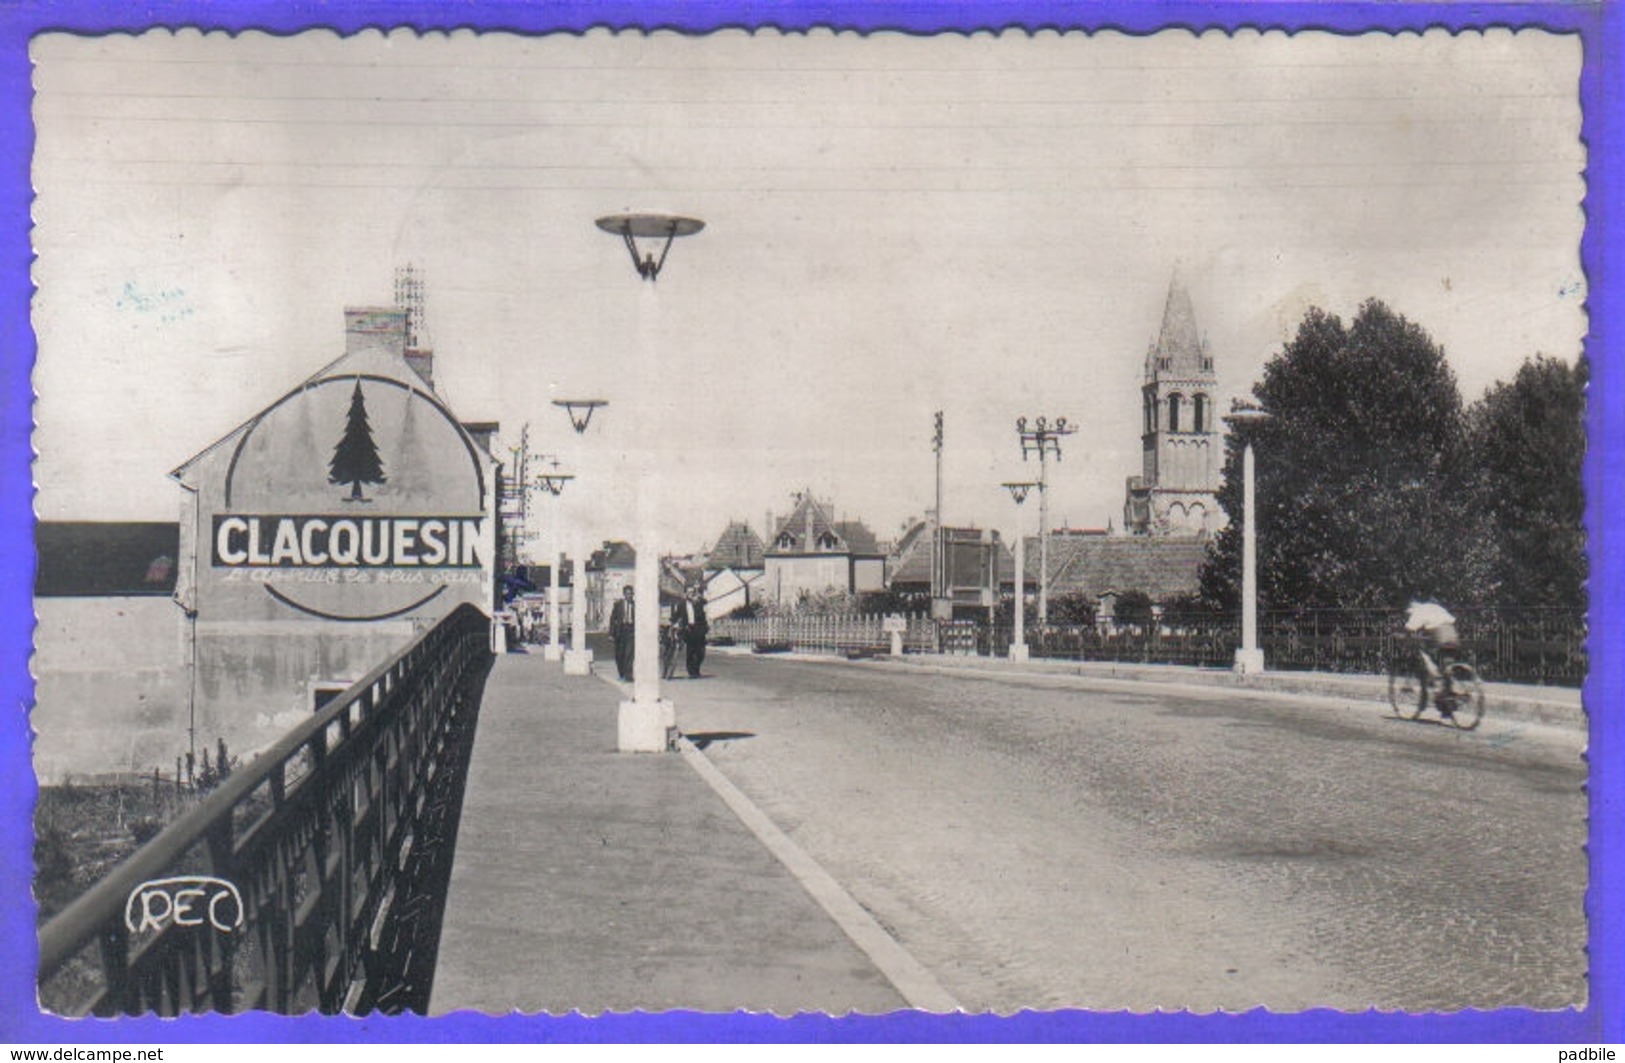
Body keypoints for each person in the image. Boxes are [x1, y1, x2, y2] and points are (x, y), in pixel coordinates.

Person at [1404, 598, 1460, 712]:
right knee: (1446, 666)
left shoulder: (1418, 611)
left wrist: (1405, 635)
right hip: (1452, 632)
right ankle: (1447, 697)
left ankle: (1436, 684)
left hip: (1439, 634)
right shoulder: (1435, 607)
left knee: (1424, 656)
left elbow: (1410, 627)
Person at [671, 584, 710, 679]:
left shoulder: (698, 602)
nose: (691, 594)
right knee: (691, 651)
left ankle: (696, 669)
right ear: (685, 594)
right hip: (688, 629)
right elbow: (676, 616)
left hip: (699, 629)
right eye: (689, 592)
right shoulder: (682, 604)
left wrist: (699, 597)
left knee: (701, 652)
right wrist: (673, 624)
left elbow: (705, 602)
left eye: (692, 592)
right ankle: (692, 672)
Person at [609, 586, 636, 682]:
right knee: (619, 655)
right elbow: (613, 619)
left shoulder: (635, 605)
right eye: (627, 594)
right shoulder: (618, 605)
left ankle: (628, 676)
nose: (629, 596)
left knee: (629, 654)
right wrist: (611, 634)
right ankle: (621, 673)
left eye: (631, 594)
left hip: (631, 631)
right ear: (624, 594)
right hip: (620, 632)